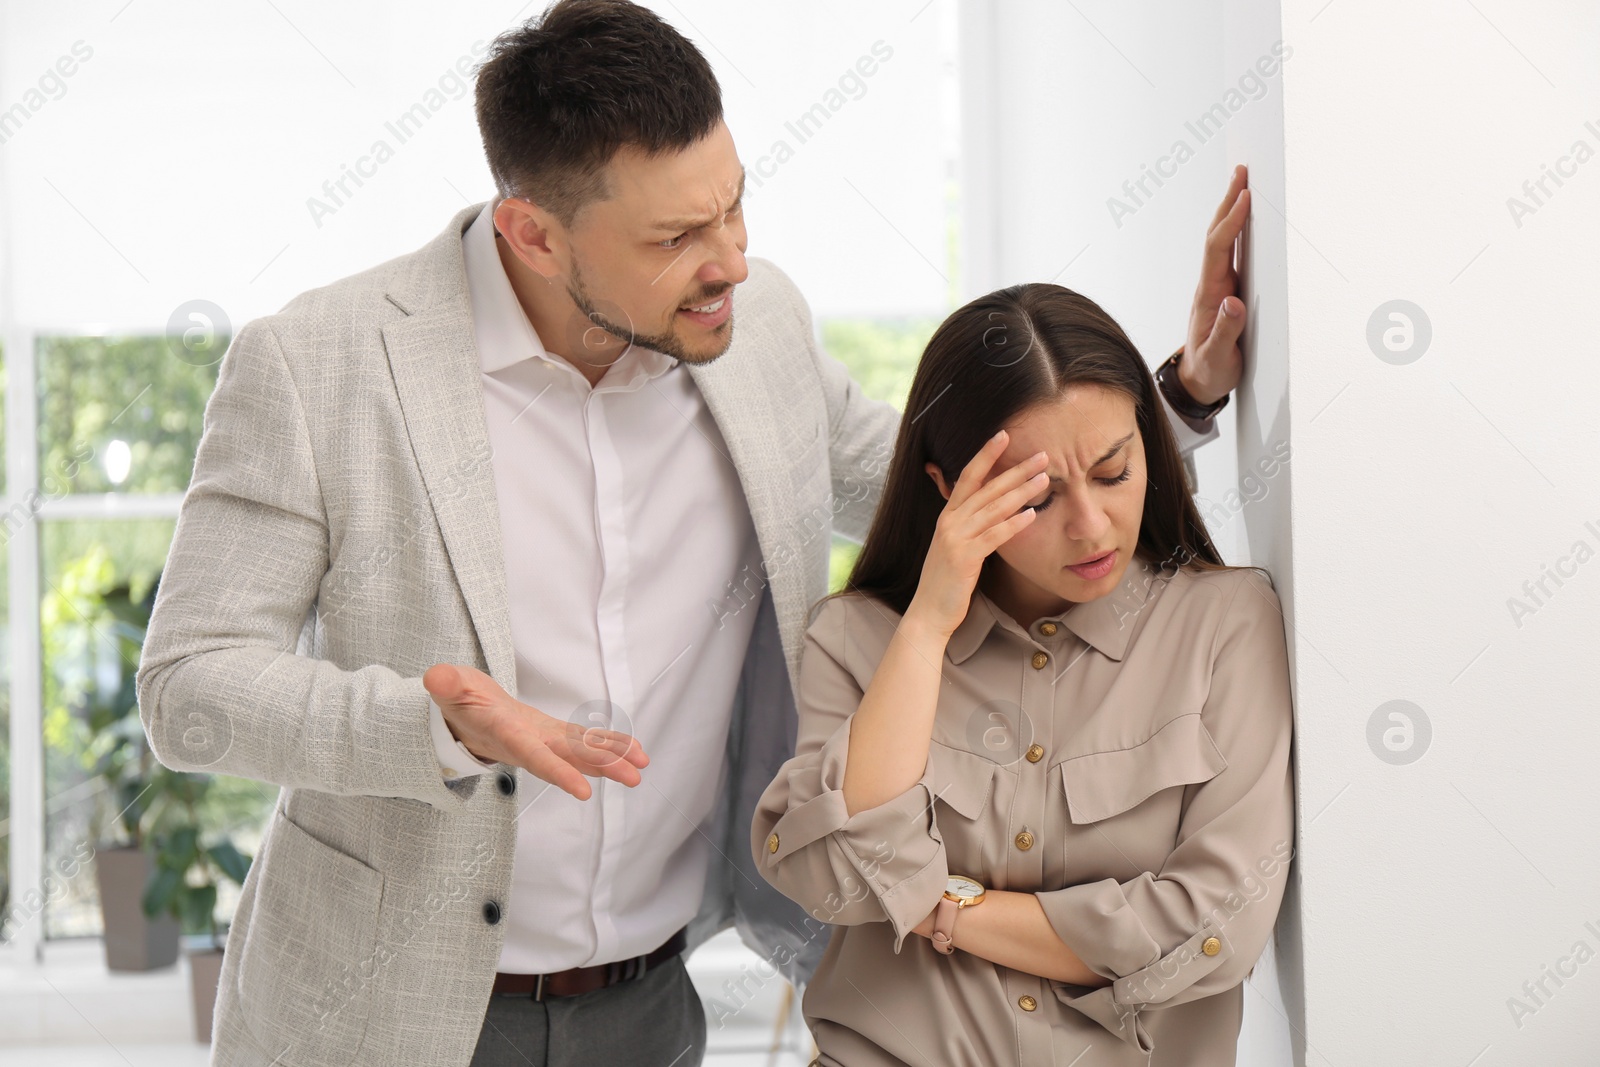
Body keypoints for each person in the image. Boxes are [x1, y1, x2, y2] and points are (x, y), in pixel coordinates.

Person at [135, 2, 1252, 1065]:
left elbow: (927, 488)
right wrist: (436, 724)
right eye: (676, 235)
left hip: (651, 1007)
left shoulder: (755, 328)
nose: (728, 259)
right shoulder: (318, 363)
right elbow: (190, 687)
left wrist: (1179, 399)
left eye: (733, 206)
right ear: (531, 232)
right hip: (381, 1010)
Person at [752, 283, 1294, 1066]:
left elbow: (1217, 926)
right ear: (950, 488)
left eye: (1114, 473)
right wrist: (931, 621)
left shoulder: (1226, 623)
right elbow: (831, 878)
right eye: (1037, 496)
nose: (1090, 525)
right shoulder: (857, 638)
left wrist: (950, 906)